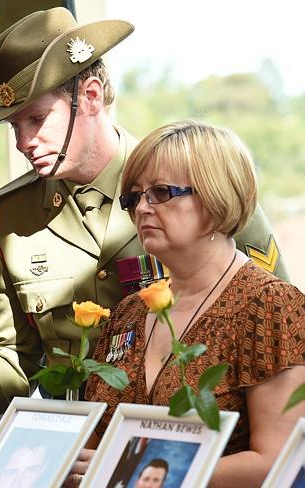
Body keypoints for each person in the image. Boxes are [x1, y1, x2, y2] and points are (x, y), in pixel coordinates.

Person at [0, 7, 287, 417]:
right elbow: (13, 360)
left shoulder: (198, 183)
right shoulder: (9, 218)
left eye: (37, 119)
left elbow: (275, 325)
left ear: (92, 96)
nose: (23, 143)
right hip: (82, 450)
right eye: (14, 126)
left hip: (200, 432)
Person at [84, 121, 305, 486]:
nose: (142, 208)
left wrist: (137, 473)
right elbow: (96, 442)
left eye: (161, 192)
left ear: (217, 196)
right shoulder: (129, 312)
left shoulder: (268, 304)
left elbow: (279, 463)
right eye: (134, 196)